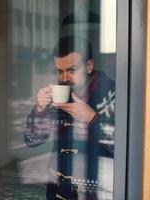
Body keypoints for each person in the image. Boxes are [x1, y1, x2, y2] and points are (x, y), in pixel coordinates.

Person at [24, 36, 115, 200]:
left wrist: (91, 118)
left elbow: (122, 147)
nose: (64, 78)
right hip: (56, 192)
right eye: (60, 71)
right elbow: (32, 141)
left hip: (97, 194)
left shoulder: (112, 93)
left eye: (72, 70)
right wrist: (39, 110)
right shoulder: (58, 94)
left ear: (89, 66)